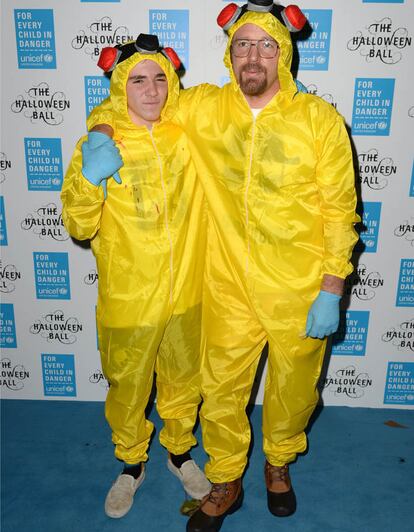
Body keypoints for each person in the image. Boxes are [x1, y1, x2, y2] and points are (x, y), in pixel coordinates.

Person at [87, 2, 360, 530]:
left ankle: (278, 463)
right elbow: (141, 98)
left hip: (300, 289)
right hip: (227, 285)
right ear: (229, 53)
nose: (252, 56)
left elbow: (340, 208)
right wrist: (100, 129)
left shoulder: (318, 120)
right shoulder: (204, 108)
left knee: (296, 389)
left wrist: (331, 285)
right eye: (242, 44)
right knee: (221, 392)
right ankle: (228, 477)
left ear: (284, 52)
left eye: (265, 44)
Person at [60, 34, 210, 520]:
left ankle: (180, 452)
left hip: (187, 290)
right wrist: (90, 174)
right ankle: (130, 464)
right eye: (139, 80)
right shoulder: (100, 141)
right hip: (129, 297)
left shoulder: (186, 133)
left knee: (184, 379)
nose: (151, 91)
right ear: (120, 85)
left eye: (160, 79)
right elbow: (79, 225)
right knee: (128, 385)